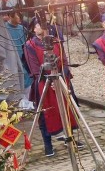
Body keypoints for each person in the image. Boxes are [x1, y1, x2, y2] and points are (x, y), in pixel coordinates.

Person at [25, 22, 73, 157]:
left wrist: (61, 78)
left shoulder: (57, 41)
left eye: (44, 26)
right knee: (45, 114)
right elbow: (34, 68)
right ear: (34, 28)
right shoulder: (30, 45)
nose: (43, 28)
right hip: (43, 82)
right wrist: (51, 80)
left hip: (61, 79)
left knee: (68, 108)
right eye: (39, 25)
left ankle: (71, 138)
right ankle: (48, 145)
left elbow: (63, 61)